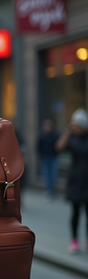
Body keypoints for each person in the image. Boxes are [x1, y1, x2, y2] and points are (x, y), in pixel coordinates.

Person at [55, 108, 88, 255]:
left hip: (87, 179)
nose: (75, 126)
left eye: (77, 124)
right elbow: (59, 147)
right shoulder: (72, 138)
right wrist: (68, 131)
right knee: (75, 212)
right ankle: (74, 240)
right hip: (75, 179)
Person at [38, 119, 60, 199]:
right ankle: (48, 190)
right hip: (45, 157)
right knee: (46, 175)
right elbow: (39, 146)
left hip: (53, 157)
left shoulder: (55, 135)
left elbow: (58, 146)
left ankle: (52, 190)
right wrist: (39, 156)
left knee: (53, 175)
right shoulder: (41, 136)